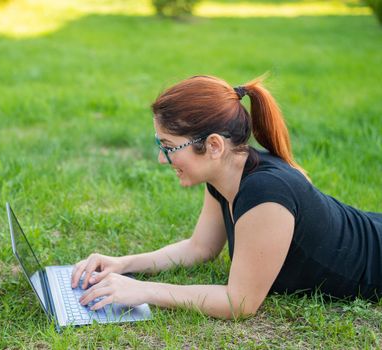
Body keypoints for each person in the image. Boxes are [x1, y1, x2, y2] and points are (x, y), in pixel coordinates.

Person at [70, 75, 382, 319]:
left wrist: (144, 291)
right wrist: (123, 265)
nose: (162, 159)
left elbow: (240, 302)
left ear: (215, 146)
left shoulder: (266, 195)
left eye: (169, 146)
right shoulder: (226, 175)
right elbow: (200, 248)